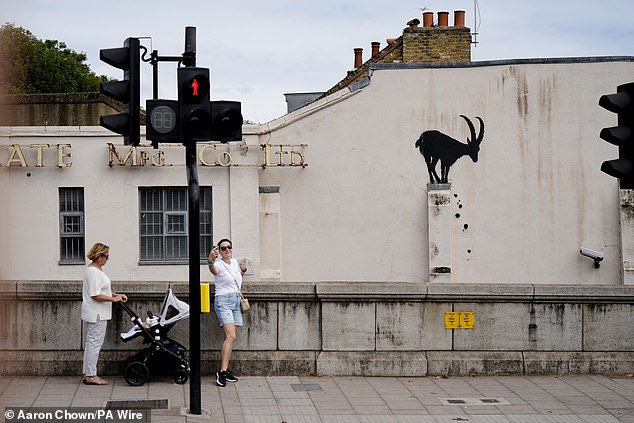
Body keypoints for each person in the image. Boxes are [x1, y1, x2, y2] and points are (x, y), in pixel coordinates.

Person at [81, 242, 127, 385]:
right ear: (99, 256)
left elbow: (102, 290)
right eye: (106, 256)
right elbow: (95, 294)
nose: (107, 259)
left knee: (91, 343)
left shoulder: (96, 270)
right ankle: (91, 375)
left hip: (96, 312)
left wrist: (116, 294)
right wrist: (114, 299)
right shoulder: (93, 272)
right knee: (94, 344)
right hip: (97, 313)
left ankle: (88, 373)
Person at [208, 238, 247, 387]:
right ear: (219, 251)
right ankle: (222, 372)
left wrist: (243, 270)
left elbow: (237, 279)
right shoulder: (218, 265)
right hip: (223, 301)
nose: (227, 250)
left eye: (229, 247)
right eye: (223, 248)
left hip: (236, 300)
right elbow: (213, 270)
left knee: (230, 338)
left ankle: (225, 369)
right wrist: (210, 260)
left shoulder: (236, 262)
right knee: (231, 335)